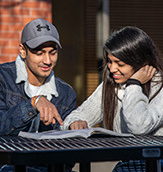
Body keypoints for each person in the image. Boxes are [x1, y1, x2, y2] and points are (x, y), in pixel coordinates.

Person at [0, 18, 76, 172]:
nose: (48, 60)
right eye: (39, 53)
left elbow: (67, 158)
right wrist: (33, 103)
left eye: (53, 53)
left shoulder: (66, 93)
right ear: (23, 50)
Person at [61, 26, 163, 171]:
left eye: (120, 64)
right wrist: (74, 122)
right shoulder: (110, 86)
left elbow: (138, 127)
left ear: (141, 63)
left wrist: (134, 84)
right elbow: (77, 115)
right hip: (129, 163)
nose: (112, 68)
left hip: (157, 163)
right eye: (110, 61)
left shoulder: (160, 87)